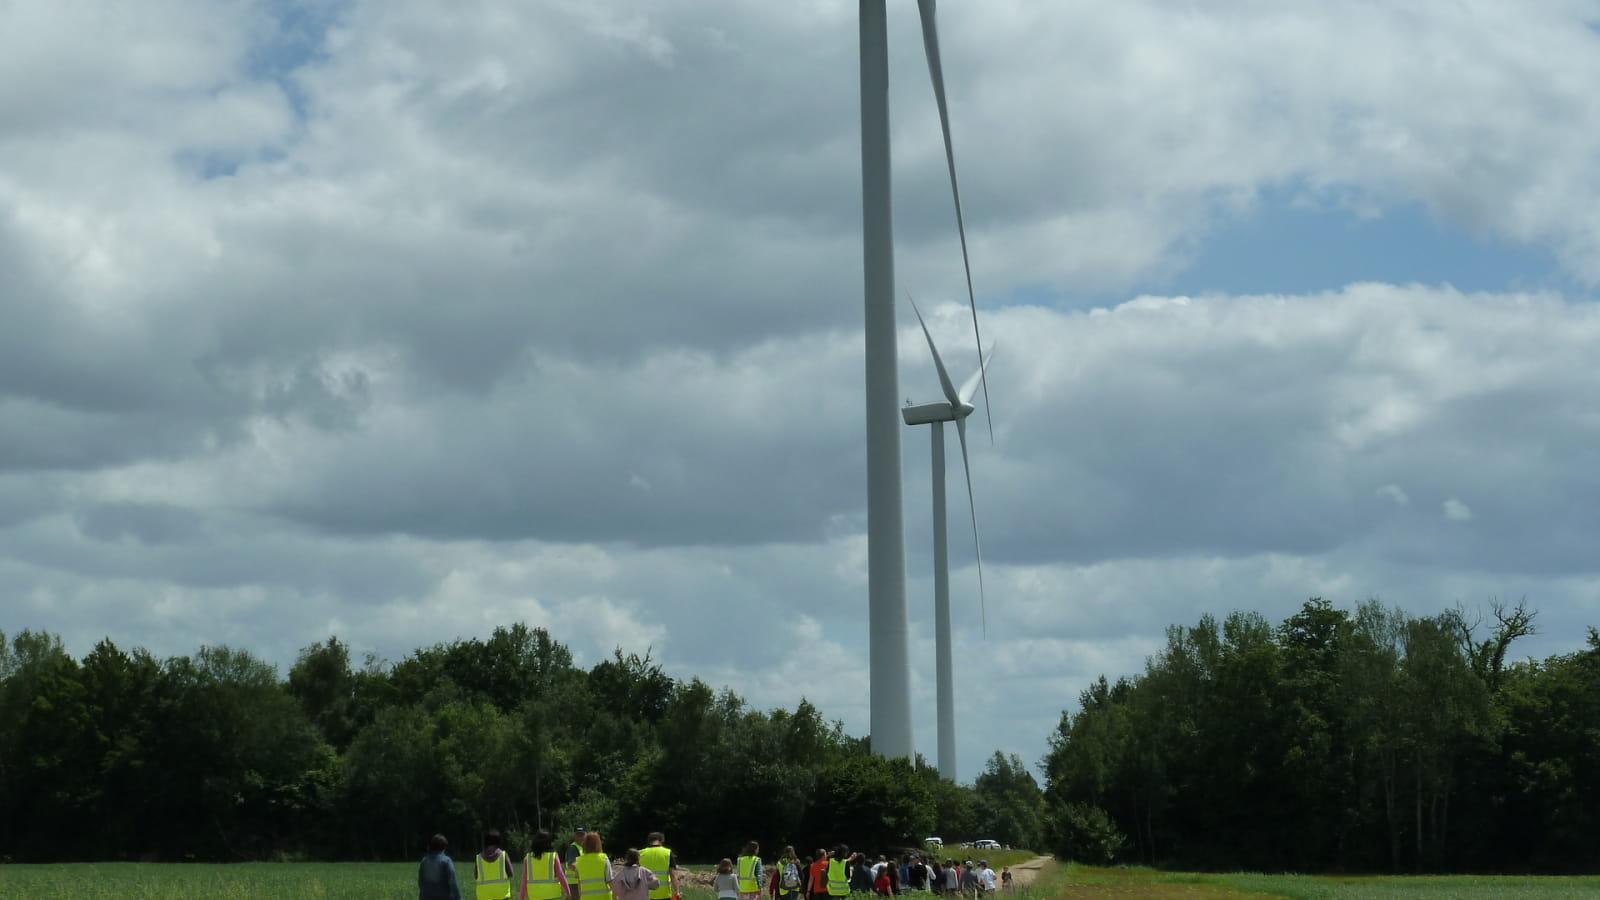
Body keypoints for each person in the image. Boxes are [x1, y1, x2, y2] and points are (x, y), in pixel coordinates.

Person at [522, 830, 572, 900]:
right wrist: (568, 893)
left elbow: (524, 880)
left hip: (535, 895)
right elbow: (561, 875)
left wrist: (522, 897)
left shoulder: (527, 858)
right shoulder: (553, 856)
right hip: (552, 894)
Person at [420, 833, 463, 900]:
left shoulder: (424, 861)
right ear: (444, 847)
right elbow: (452, 882)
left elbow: (421, 882)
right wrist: (459, 898)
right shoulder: (446, 861)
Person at [476, 830, 515, 900]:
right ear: (499, 841)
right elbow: (511, 874)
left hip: (484, 895)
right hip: (502, 894)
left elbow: (476, 876)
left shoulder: (478, 858)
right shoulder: (503, 855)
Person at [574, 831, 614, 900]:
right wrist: (616, 895)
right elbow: (609, 880)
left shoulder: (579, 861)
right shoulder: (603, 858)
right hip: (604, 897)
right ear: (598, 843)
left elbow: (579, 884)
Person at [639, 832, 677, 900]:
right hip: (663, 894)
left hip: (645, 894)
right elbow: (673, 875)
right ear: (662, 840)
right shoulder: (667, 853)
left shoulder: (640, 853)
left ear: (649, 841)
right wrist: (677, 892)